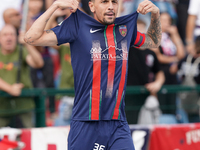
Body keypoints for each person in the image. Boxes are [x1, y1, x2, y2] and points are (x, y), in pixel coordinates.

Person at [24, 0, 161, 149]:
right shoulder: (77, 25)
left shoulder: (125, 28)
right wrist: (55, 6)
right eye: (104, 2)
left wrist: (155, 14)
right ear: (91, 6)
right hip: (86, 123)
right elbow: (31, 38)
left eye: (114, 2)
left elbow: (154, 42)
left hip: (118, 123)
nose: (110, 6)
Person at [0, 24, 44, 128]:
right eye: (5, 35)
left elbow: (38, 63)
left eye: (12, 34)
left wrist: (27, 44)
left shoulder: (21, 51)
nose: (9, 37)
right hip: (2, 107)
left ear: (16, 37)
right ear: (0, 38)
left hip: (24, 104)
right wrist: (10, 89)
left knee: (29, 137)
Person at [126, 19, 165, 124]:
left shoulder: (150, 53)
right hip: (126, 97)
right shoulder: (124, 50)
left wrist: (157, 83)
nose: (139, 33)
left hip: (145, 97)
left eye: (141, 30)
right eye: (136, 30)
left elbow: (159, 72)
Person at [152, 12, 185, 116]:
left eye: (168, 21)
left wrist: (175, 34)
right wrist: (175, 59)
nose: (166, 23)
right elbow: (159, 57)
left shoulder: (171, 36)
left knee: (173, 104)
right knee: (162, 105)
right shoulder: (153, 35)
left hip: (173, 75)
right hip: (161, 73)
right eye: (163, 20)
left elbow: (182, 53)